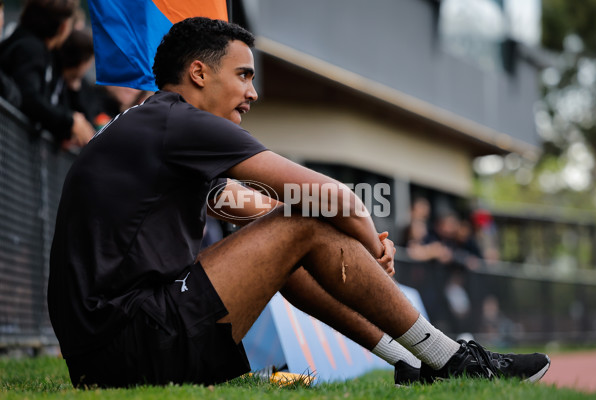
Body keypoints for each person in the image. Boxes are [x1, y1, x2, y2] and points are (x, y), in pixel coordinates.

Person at [48, 17, 550, 388]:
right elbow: (329, 196)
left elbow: (258, 212)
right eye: (243, 75)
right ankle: (452, 359)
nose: (254, 92)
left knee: (292, 237)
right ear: (199, 73)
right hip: (128, 343)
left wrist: (346, 237)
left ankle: (410, 361)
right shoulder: (179, 121)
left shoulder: (154, 126)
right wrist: (368, 241)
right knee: (305, 221)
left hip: (108, 350)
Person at [0, 0, 93, 147]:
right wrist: (70, 122)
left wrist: (64, 130)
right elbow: (29, 97)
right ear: (63, 27)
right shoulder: (30, 48)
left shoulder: (45, 53)